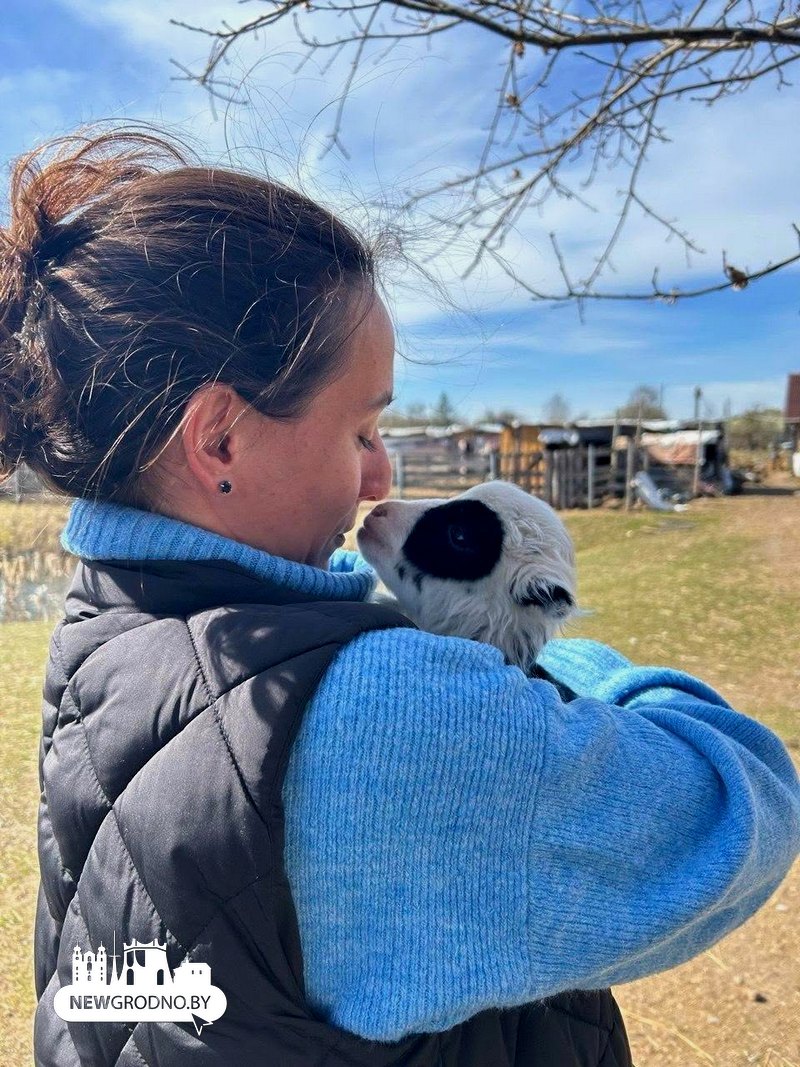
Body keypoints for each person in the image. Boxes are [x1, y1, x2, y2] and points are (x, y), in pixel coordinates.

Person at [1, 128, 798, 1067]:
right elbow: (747, 798)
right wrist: (530, 643)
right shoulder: (391, 712)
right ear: (218, 439)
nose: (381, 474)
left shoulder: (109, 638)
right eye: (363, 428)